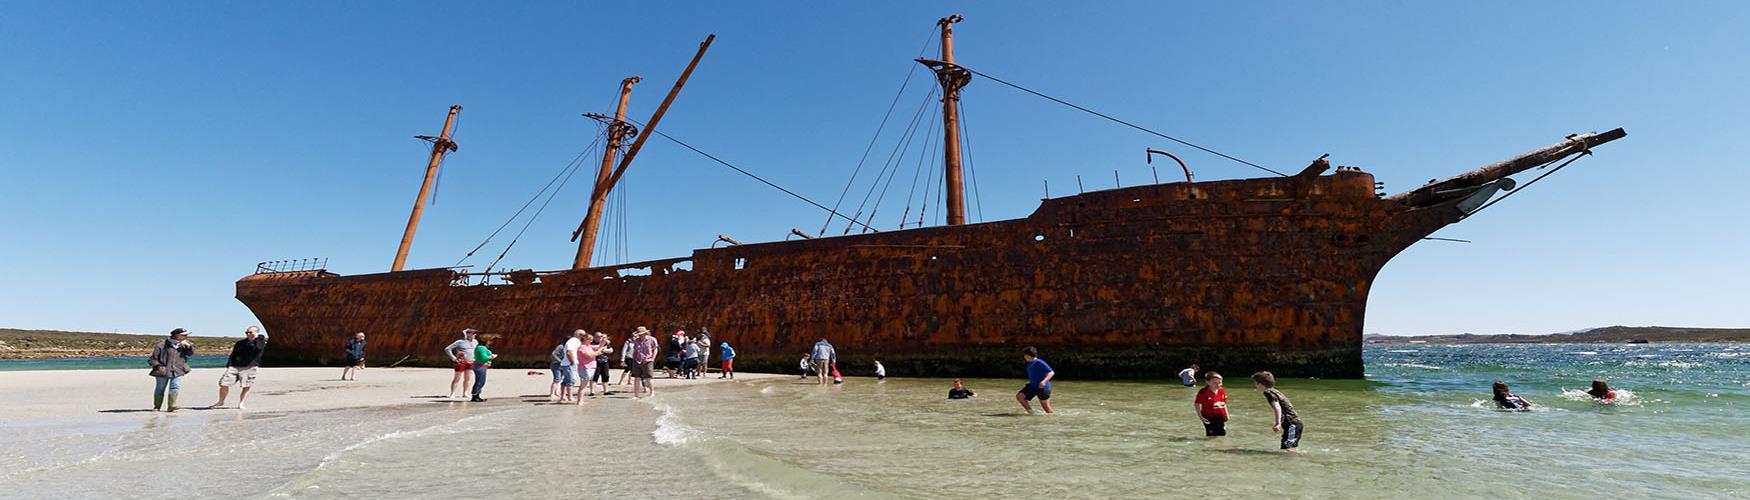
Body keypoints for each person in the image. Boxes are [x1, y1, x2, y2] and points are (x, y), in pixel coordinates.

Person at [208, 325, 269, 409]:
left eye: (250, 332)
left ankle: (241, 403)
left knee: (246, 385)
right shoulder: (240, 343)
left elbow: (258, 348)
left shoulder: (261, 342)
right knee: (223, 383)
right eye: (246, 332)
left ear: (256, 333)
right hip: (235, 366)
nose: (248, 334)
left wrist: (257, 339)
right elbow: (233, 354)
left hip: (249, 367)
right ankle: (221, 401)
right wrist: (229, 364)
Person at [1252, 371, 1303, 451]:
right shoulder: (1275, 391)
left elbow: (1277, 407)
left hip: (1292, 424)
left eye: (1255, 383)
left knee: (1288, 448)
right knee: (1288, 448)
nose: (1255, 385)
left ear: (1260, 384)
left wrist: (1277, 423)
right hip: (1294, 424)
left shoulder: (1268, 392)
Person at [148, 328, 195, 412]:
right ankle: (157, 407)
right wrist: (159, 367)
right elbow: (153, 359)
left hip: (178, 369)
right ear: (176, 335)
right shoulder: (161, 345)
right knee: (160, 388)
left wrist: (189, 347)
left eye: (186, 335)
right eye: (183, 335)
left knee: (175, 387)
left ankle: (171, 406)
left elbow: (190, 354)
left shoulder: (186, 344)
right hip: (163, 370)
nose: (186, 336)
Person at [1016, 346, 1056, 415]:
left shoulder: (1039, 362)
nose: (1024, 357)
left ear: (1028, 355)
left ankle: (1052, 419)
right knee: (1020, 396)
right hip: (1033, 386)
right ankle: (1031, 412)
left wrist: (1044, 381)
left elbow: (1051, 372)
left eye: (1024, 355)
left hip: (1043, 388)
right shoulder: (1030, 363)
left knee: (1046, 409)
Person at [575, 333, 611, 402]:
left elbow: (599, 347)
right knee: (583, 386)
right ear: (586, 340)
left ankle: (580, 400)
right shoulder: (582, 347)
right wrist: (599, 351)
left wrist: (603, 341)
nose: (591, 341)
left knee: (584, 385)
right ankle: (579, 401)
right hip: (585, 368)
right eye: (590, 340)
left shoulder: (589, 346)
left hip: (590, 368)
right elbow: (590, 355)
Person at [445, 329, 480, 399]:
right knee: (457, 378)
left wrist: (477, 358)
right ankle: (453, 393)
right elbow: (447, 349)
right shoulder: (460, 342)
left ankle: (465, 393)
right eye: (473, 334)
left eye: (475, 333)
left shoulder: (475, 342)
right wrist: (453, 358)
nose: (475, 335)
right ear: (468, 334)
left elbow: (477, 350)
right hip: (461, 362)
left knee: (468, 378)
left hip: (471, 362)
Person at [1194, 371, 1229, 437]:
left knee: (1222, 433)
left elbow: (1224, 403)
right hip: (1208, 416)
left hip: (1220, 415)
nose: (1218, 384)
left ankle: (1220, 447)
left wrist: (1226, 414)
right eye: (1214, 383)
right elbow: (1197, 404)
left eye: (1220, 382)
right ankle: (1209, 447)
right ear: (1208, 382)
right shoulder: (1203, 392)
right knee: (1211, 435)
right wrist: (1200, 416)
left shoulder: (1221, 390)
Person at [630, 326, 659, 398]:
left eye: (641, 334)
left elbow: (655, 349)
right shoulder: (636, 340)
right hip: (637, 360)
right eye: (639, 334)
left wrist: (653, 358)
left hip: (648, 360)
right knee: (636, 378)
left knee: (648, 378)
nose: (640, 335)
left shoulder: (652, 339)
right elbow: (635, 350)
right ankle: (636, 395)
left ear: (645, 333)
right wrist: (633, 358)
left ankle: (652, 392)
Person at [551, 331, 580, 403]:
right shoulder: (561, 346)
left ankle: (560, 394)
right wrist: (560, 361)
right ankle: (552, 393)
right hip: (557, 365)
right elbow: (553, 354)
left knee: (564, 379)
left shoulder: (570, 346)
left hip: (564, 364)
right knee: (557, 379)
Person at [470, 334, 499, 402]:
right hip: (480, 366)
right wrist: (492, 357)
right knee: (480, 381)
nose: (490, 342)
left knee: (479, 381)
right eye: (489, 341)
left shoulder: (479, 347)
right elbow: (484, 358)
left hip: (479, 366)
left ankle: (477, 395)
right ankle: (475, 395)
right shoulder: (482, 348)